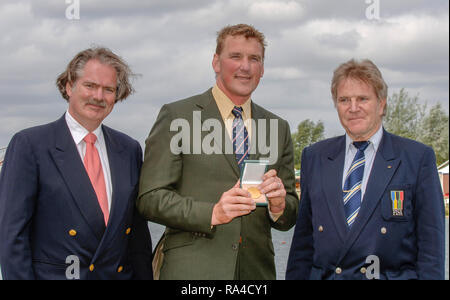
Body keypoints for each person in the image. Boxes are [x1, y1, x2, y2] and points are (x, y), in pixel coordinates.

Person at [138, 24, 298, 280]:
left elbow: (289, 213)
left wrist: (279, 206)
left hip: (256, 273)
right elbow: (150, 198)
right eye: (235, 56)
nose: (245, 66)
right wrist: (211, 213)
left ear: (262, 69)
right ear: (216, 62)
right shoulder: (177, 116)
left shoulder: (278, 128)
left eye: (254, 59)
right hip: (192, 272)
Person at [0, 47, 153, 280]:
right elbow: (11, 235)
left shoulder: (129, 149)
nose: (98, 97)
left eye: (108, 89)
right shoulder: (30, 145)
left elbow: (137, 238)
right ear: (70, 86)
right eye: (90, 86)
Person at [286, 59, 445, 280]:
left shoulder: (416, 159)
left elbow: (431, 251)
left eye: (362, 99)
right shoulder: (315, 157)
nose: (353, 108)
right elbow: (302, 246)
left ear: (381, 104)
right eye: (344, 100)